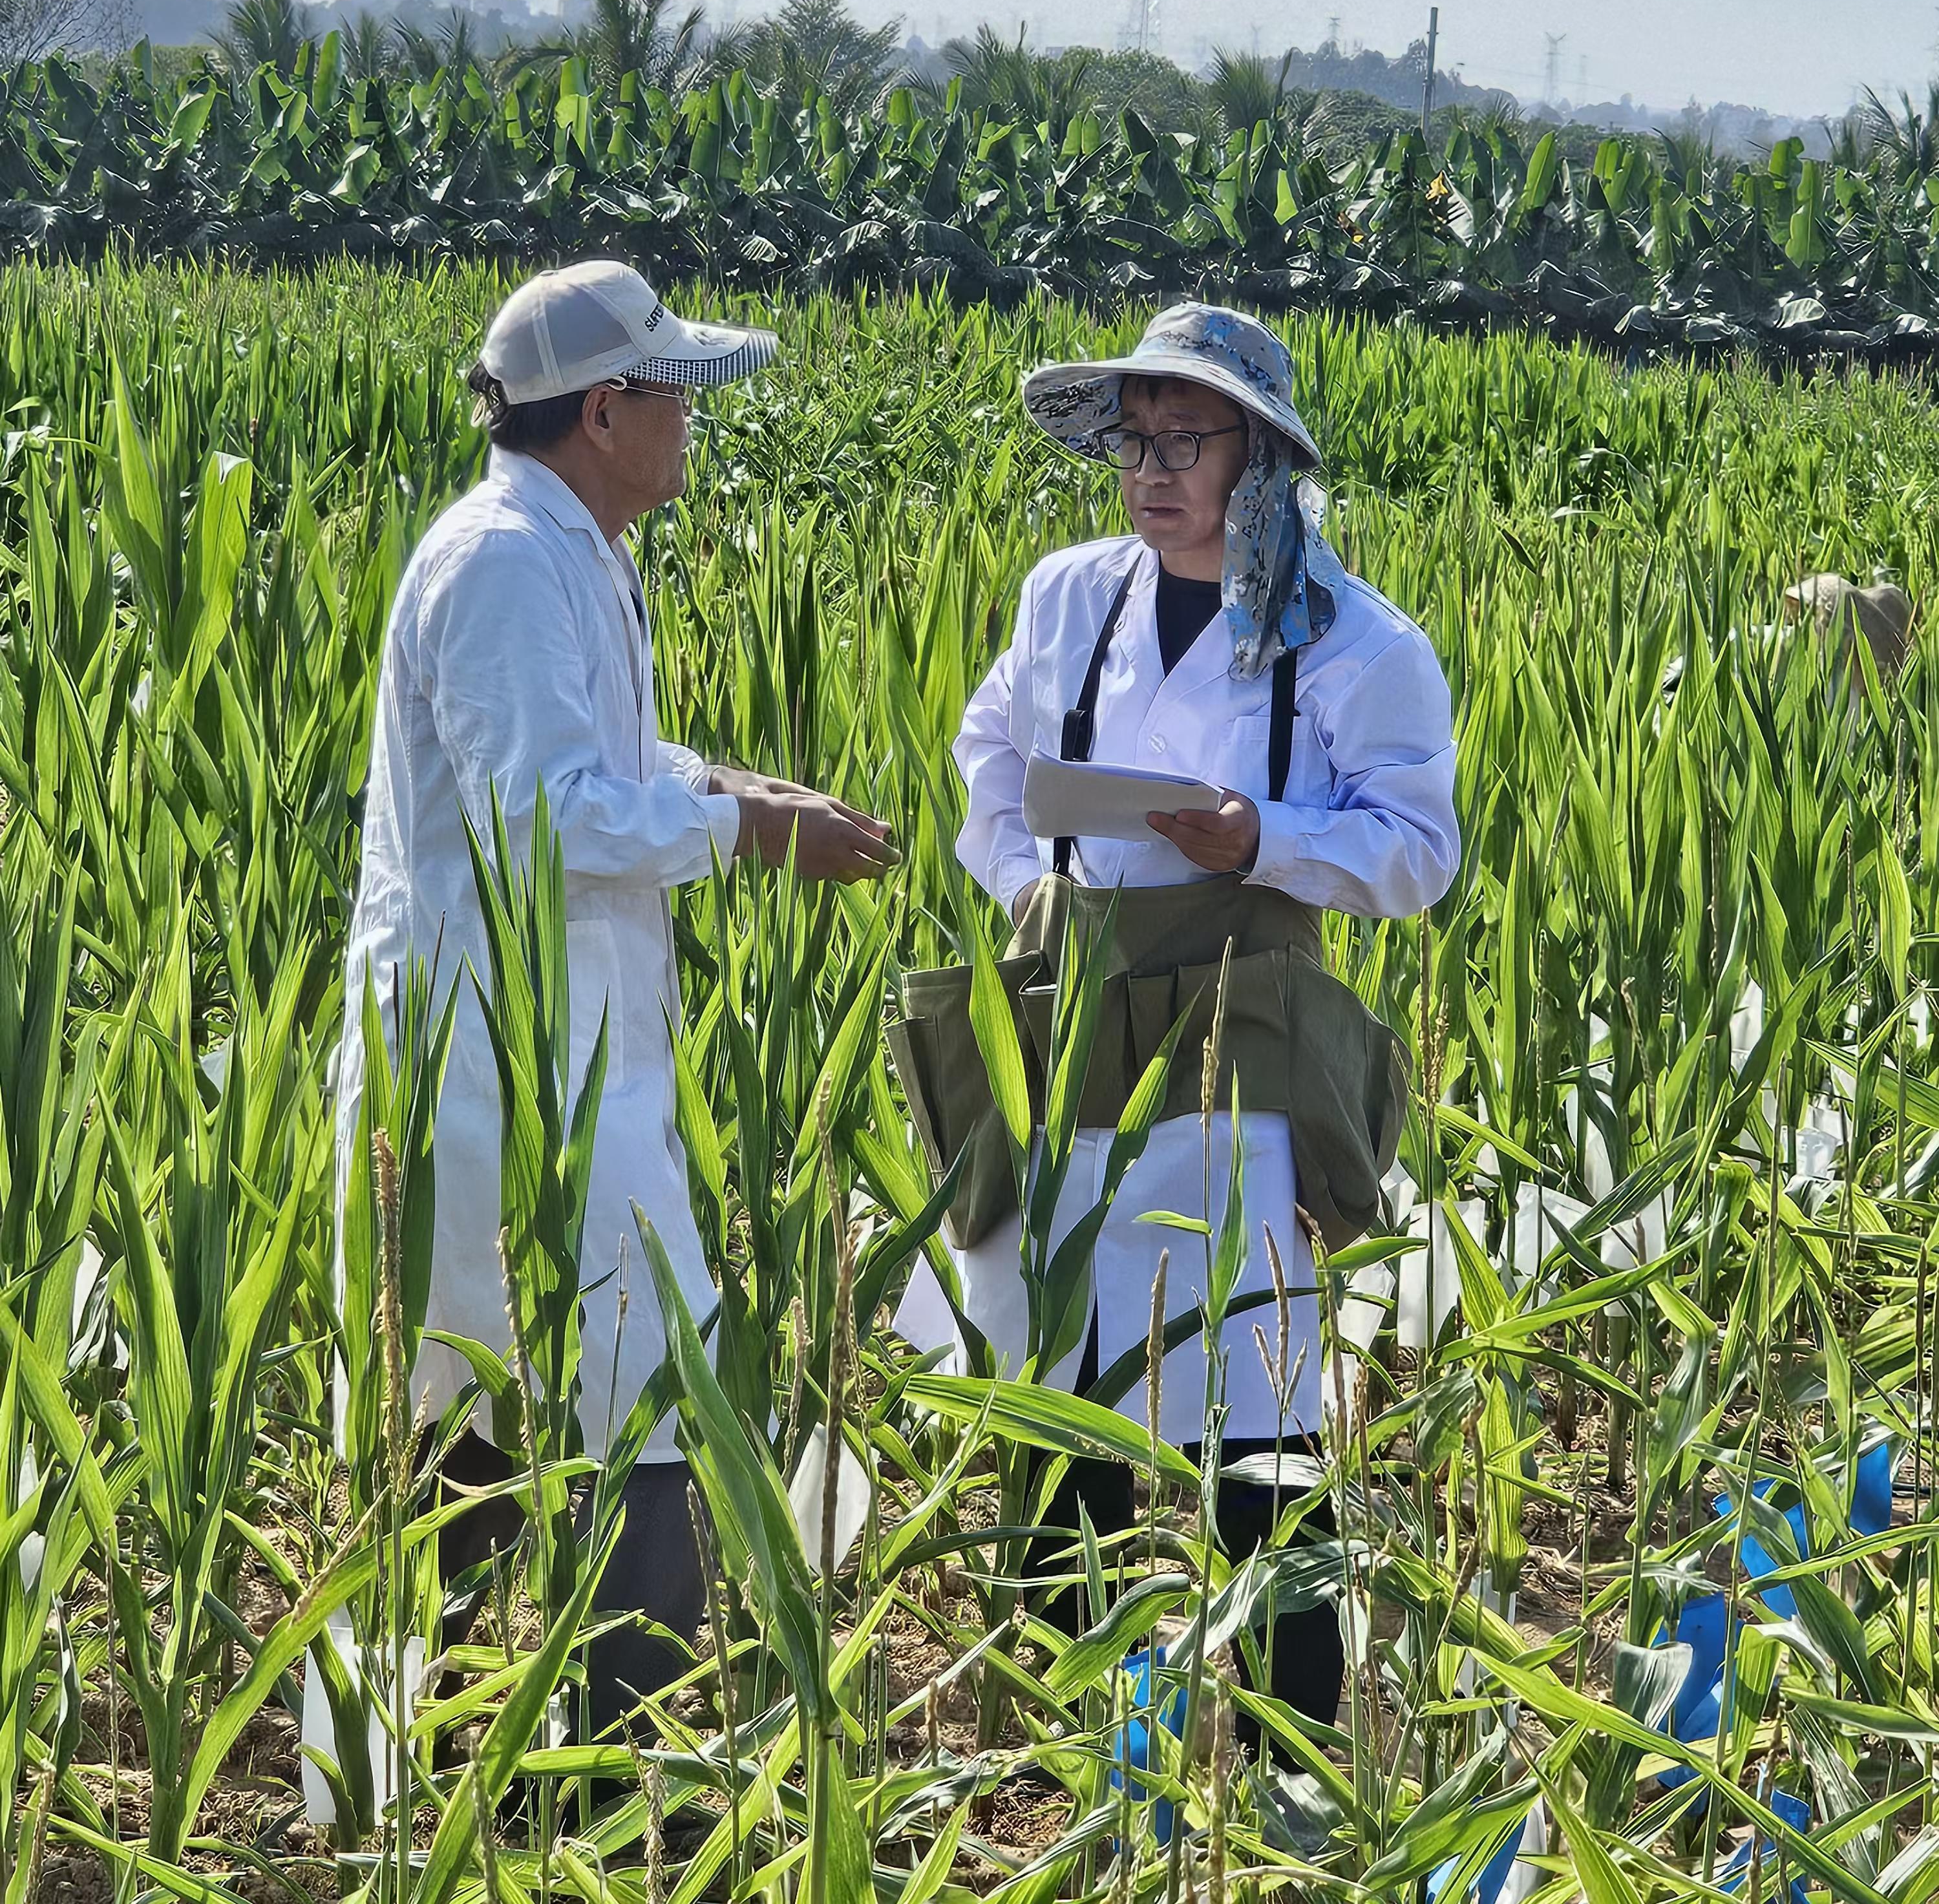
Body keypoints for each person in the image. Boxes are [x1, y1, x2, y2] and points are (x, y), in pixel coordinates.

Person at [334, 260, 894, 1733]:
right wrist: (745, 830)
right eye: (674, 391)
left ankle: (505, 1752)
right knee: (606, 1398)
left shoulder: (567, 548)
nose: (691, 418)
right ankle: (592, 1765)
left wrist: (728, 783)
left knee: (523, 1394)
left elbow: (596, 760)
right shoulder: (505, 563)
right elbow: (539, 811)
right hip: (492, 1060)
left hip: (564, 1052)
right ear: (602, 412)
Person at [931, 303, 1458, 1728]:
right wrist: (1027, 881)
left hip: (1238, 1039)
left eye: (1183, 441)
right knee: (1062, 1381)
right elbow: (988, 754)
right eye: (1133, 441)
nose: (1149, 471)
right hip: (1068, 1021)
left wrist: (1265, 837)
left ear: (1259, 455)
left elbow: (1418, 850)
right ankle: (1072, 1730)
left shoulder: (1356, 642)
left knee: (1253, 1407)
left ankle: (1293, 1744)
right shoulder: (1067, 594)